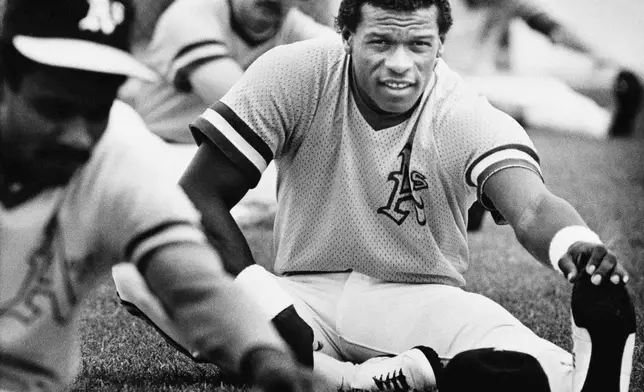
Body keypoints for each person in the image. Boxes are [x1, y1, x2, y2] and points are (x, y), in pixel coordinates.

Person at [115, 0, 637, 391]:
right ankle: (367, 379)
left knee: (545, 371)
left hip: (414, 298)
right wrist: (264, 298)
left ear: (440, 44)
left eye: (418, 45)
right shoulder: (296, 69)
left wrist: (575, 246)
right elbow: (197, 196)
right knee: (136, 266)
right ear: (346, 34)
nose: (400, 65)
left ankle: (362, 377)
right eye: (381, 42)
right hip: (302, 295)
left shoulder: (460, 110)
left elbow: (531, 206)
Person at [0, 0, 329, 391]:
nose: (79, 136)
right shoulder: (191, 16)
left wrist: (263, 356)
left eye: (97, 111)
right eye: (53, 108)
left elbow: (191, 278)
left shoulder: (108, 157)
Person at [122, 0, 336, 143]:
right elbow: (245, 109)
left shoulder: (288, 23)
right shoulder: (191, 13)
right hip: (164, 145)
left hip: (227, 152)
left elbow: (348, 56)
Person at [442, 0, 643, 138]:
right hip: (446, 84)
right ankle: (604, 126)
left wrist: (599, 56)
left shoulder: (506, 2)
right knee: (521, 106)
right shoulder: (436, 5)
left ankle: (609, 124)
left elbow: (554, 30)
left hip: (487, 82)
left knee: (549, 89)